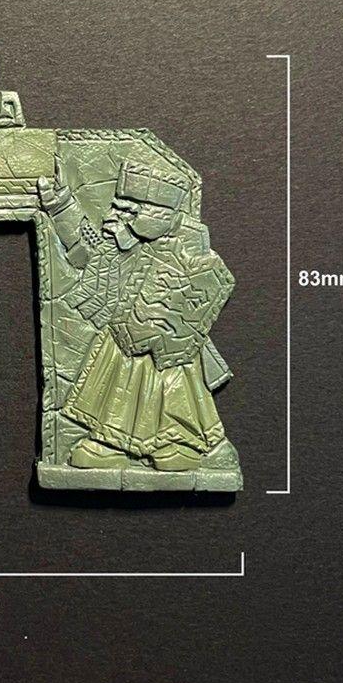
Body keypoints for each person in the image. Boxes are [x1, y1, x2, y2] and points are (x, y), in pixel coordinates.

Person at [39, 162, 234, 471]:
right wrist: (60, 204)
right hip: (124, 334)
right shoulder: (119, 247)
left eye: (128, 211)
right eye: (117, 208)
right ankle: (113, 442)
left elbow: (196, 291)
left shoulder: (183, 252)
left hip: (165, 344)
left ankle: (179, 441)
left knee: (170, 386)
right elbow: (86, 248)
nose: (113, 217)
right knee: (120, 388)